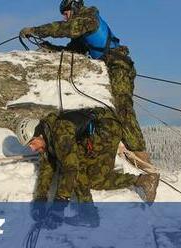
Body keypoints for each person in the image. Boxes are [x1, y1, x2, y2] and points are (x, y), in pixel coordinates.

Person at [19, 0, 150, 165]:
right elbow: (73, 50)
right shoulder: (81, 30)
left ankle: (140, 154)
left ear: (74, 8)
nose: (65, 18)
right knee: (105, 109)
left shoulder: (89, 18)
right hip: (108, 67)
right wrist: (50, 47)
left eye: (66, 14)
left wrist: (36, 31)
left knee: (122, 106)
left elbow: (66, 28)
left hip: (119, 64)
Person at [16, 107, 159, 229]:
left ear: (38, 134)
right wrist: (40, 199)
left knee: (82, 173)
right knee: (96, 180)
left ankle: (88, 215)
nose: (32, 149)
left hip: (106, 128)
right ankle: (144, 180)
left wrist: (58, 208)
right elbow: (47, 168)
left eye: (32, 143)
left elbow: (71, 168)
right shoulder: (47, 139)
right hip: (99, 130)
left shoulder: (60, 132)